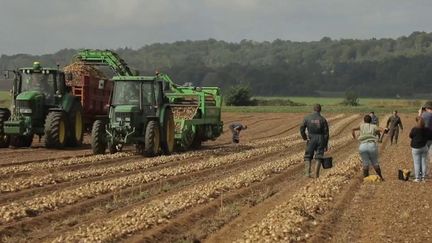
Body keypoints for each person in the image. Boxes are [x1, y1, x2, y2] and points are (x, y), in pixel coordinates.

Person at [300, 104, 329, 178]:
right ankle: (316, 175)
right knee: (319, 156)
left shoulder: (307, 118)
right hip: (320, 138)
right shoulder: (323, 119)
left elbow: (302, 128)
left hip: (311, 138)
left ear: (313, 109)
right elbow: (326, 133)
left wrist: (305, 138)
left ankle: (307, 174)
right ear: (320, 110)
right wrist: (325, 144)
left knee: (308, 156)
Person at [352, 115, 385, 180]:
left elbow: (352, 129)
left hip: (363, 146)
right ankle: (381, 177)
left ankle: (366, 179)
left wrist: (354, 138)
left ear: (364, 120)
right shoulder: (374, 126)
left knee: (365, 163)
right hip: (372, 145)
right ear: (371, 121)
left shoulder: (361, 126)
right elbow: (383, 130)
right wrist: (380, 139)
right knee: (375, 162)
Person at [409, 117, 429, 182]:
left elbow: (410, 136)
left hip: (416, 148)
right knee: (424, 163)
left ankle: (417, 178)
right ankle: (423, 178)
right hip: (424, 147)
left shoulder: (414, 129)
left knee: (417, 163)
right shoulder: (426, 129)